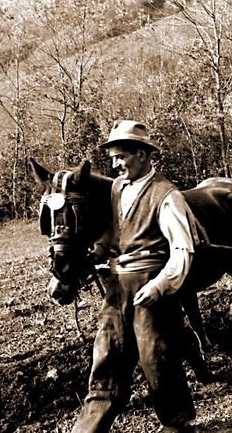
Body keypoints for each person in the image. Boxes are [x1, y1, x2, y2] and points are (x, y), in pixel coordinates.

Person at [72, 120, 197, 433]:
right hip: (117, 287)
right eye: (113, 158)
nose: (115, 164)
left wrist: (160, 286)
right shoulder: (117, 188)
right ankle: (89, 428)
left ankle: (176, 424)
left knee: (155, 356)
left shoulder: (166, 195)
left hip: (149, 288)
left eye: (122, 157)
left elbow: (183, 250)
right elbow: (118, 234)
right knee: (106, 351)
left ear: (142, 154)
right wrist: (100, 251)